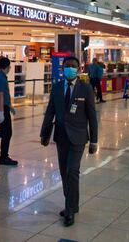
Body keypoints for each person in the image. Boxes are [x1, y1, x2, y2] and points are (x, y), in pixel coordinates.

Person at [40, 56, 98, 227]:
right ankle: (73, 203)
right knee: (65, 172)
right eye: (67, 66)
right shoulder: (57, 88)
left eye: (73, 66)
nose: (69, 69)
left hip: (79, 137)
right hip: (61, 136)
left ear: (79, 69)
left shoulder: (85, 88)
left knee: (73, 171)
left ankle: (70, 210)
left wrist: (94, 140)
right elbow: (50, 111)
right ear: (62, 69)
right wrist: (44, 133)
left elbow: (92, 116)